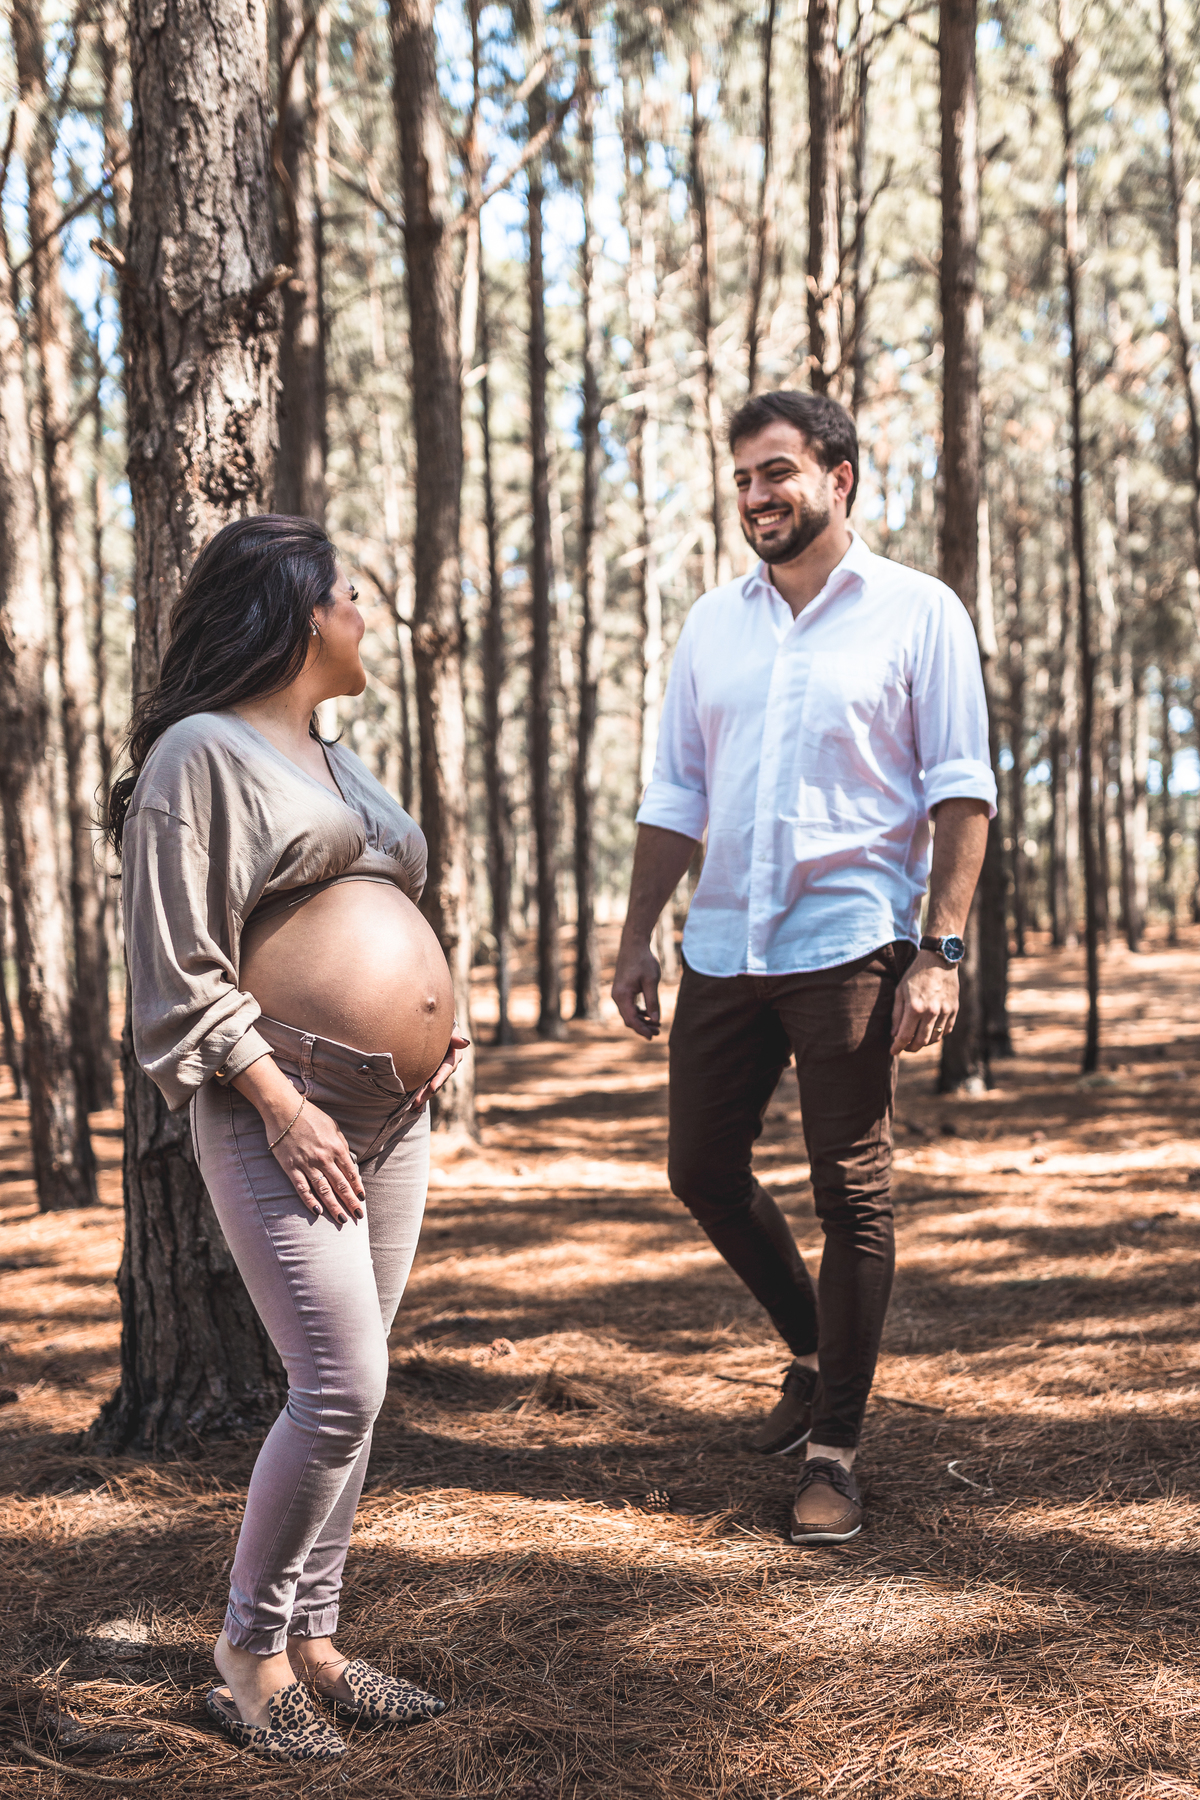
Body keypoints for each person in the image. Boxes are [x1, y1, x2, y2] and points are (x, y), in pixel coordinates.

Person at [109, 516, 469, 1761]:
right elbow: (176, 966)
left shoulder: (333, 758)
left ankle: (317, 1640)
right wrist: (282, 1098)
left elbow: (379, 908)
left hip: (389, 1116)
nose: (368, 609)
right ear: (300, 611)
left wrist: (438, 1024)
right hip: (288, 1112)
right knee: (340, 1386)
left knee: (353, 1396)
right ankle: (247, 1654)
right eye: (352, 591)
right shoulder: (199, 755)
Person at [611, 391, 995, 1547]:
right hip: (726, 944)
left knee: (853, 1192)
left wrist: (944, 950)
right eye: (740, 478)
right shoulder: (711, 627)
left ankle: (836, 1448)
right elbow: (675, 796)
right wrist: (637, 932)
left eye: (776, 472)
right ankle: (814, 1348)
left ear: (840, 479)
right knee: (700, 1169)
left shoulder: (918, 613)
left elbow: (961, 789)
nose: (756, 496)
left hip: (853, 945)